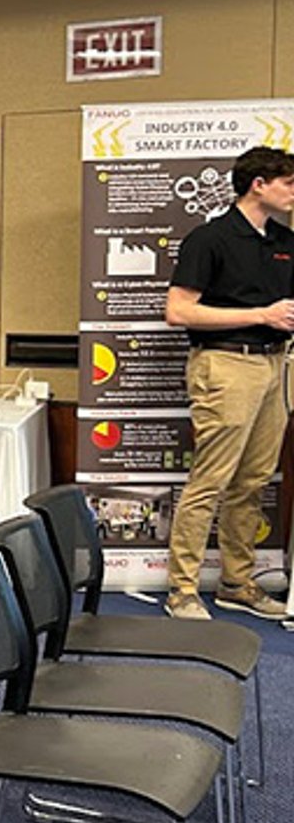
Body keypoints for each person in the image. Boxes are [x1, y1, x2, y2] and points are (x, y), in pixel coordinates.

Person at [161, 145, 294, 621]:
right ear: (259, 184)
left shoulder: (283, 240)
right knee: (210, 480)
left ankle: (236, 582)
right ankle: (182, 590)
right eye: (289, 184)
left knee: (254, 481)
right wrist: (261, 314)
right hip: (225, 365)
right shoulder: (209, 239)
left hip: (274, 366)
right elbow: (178, 311)